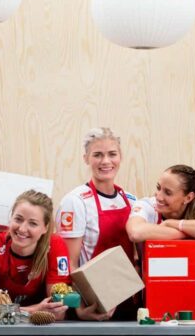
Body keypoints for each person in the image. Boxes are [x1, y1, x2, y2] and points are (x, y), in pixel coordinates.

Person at [0, 190, 107, 321]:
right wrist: (34, 310)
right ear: (11, 218)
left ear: (45, 228)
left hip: (40, 328)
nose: (22, 229)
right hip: (0, 329)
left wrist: (1, 308)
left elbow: (57, 311)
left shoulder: (56, 246)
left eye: (33, 223)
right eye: (18, 219)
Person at [55, 128, 137, 319]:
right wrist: (79, 308)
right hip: (92, 304)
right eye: (97, 155)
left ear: (121, 157)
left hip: (128, 301)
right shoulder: (75, 202)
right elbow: (68, 263)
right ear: (86, 158)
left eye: (112, 154)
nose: (105, 161)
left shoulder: (131, 200)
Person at [125, 164, 195, 242]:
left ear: (188, 198)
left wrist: (170, 223)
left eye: (168, 193)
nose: (158, 197)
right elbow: (135, 233)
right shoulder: (147, 205)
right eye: (158, 188)